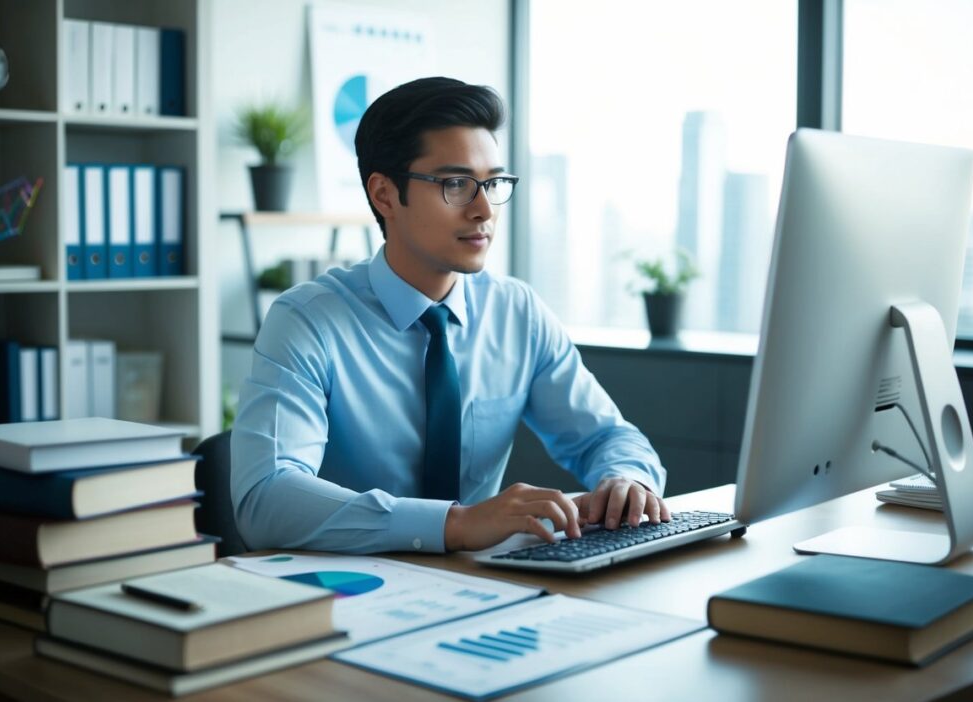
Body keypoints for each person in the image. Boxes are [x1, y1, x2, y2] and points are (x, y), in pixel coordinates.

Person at [231, 76, 669, 555]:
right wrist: (454, 525)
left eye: (493, 183)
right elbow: (266, 499)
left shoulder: (515, 312)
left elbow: (606, 436)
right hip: (347, 594)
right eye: (457, 184)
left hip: (485, 587)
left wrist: (626, 479)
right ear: (383, 195)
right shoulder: (306, 321)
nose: (484, 210)